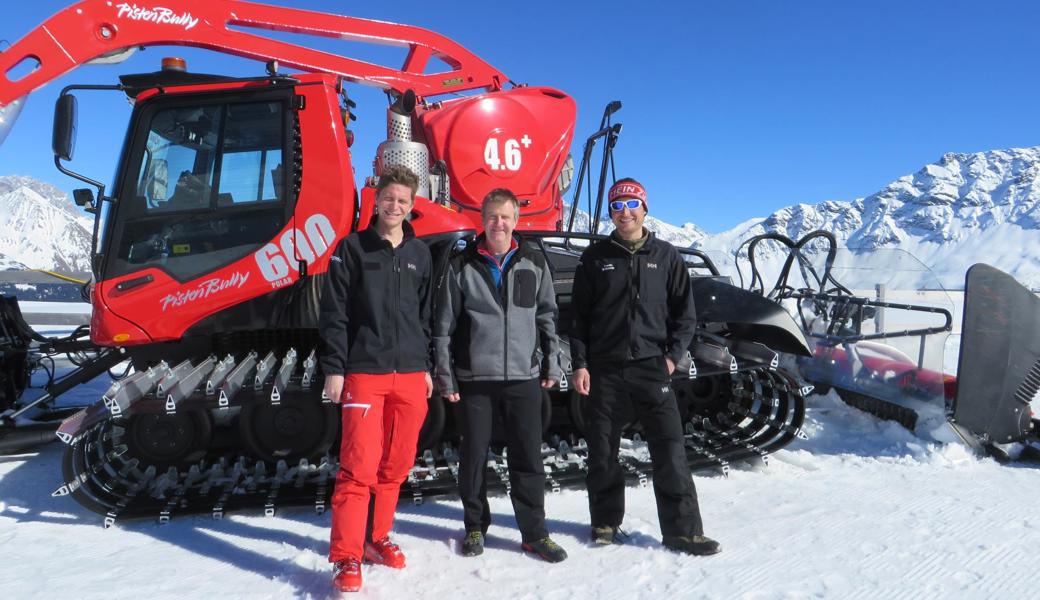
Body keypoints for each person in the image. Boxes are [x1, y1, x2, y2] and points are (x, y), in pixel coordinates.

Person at [569, 177, 721, 556]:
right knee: (603, 450)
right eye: (617, 206)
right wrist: (580, 363)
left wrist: (672, 356)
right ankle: (605, 522)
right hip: (605, 367)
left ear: (644, 208)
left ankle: (683, 531)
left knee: (670, 449)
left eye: (631, 204)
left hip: (653, 367)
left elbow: (684, 314)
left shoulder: (666, 256)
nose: (624, 212)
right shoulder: (596, 257)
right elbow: (579, 318)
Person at [433, 188, 568, 562]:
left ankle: (535, 533)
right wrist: (446, 375)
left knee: (528, 458)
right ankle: (475, 526)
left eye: (505, 216)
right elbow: (444, 325)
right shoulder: (462, 266)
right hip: (475, 379)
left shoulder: (533, 263)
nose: (499, 223)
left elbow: (547, 318)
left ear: (516, 220)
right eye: (492, 216)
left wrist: (552, 363)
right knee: (474, 456)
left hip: (522, 378)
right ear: (482, 218)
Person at [319, 165, 434, 593]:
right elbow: (334, 314)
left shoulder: (419, 254)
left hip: (409, 374)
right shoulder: (352, 249)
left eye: (403, 201)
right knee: (358, 467)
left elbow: (425, 315)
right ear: (377, 200)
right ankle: (347, 556)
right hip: (364, 372)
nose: (395, 206)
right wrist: (334, 368)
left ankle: (377, 536)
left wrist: (426, 368)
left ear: (411, 206)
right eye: (389, 198)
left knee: (397, 465)